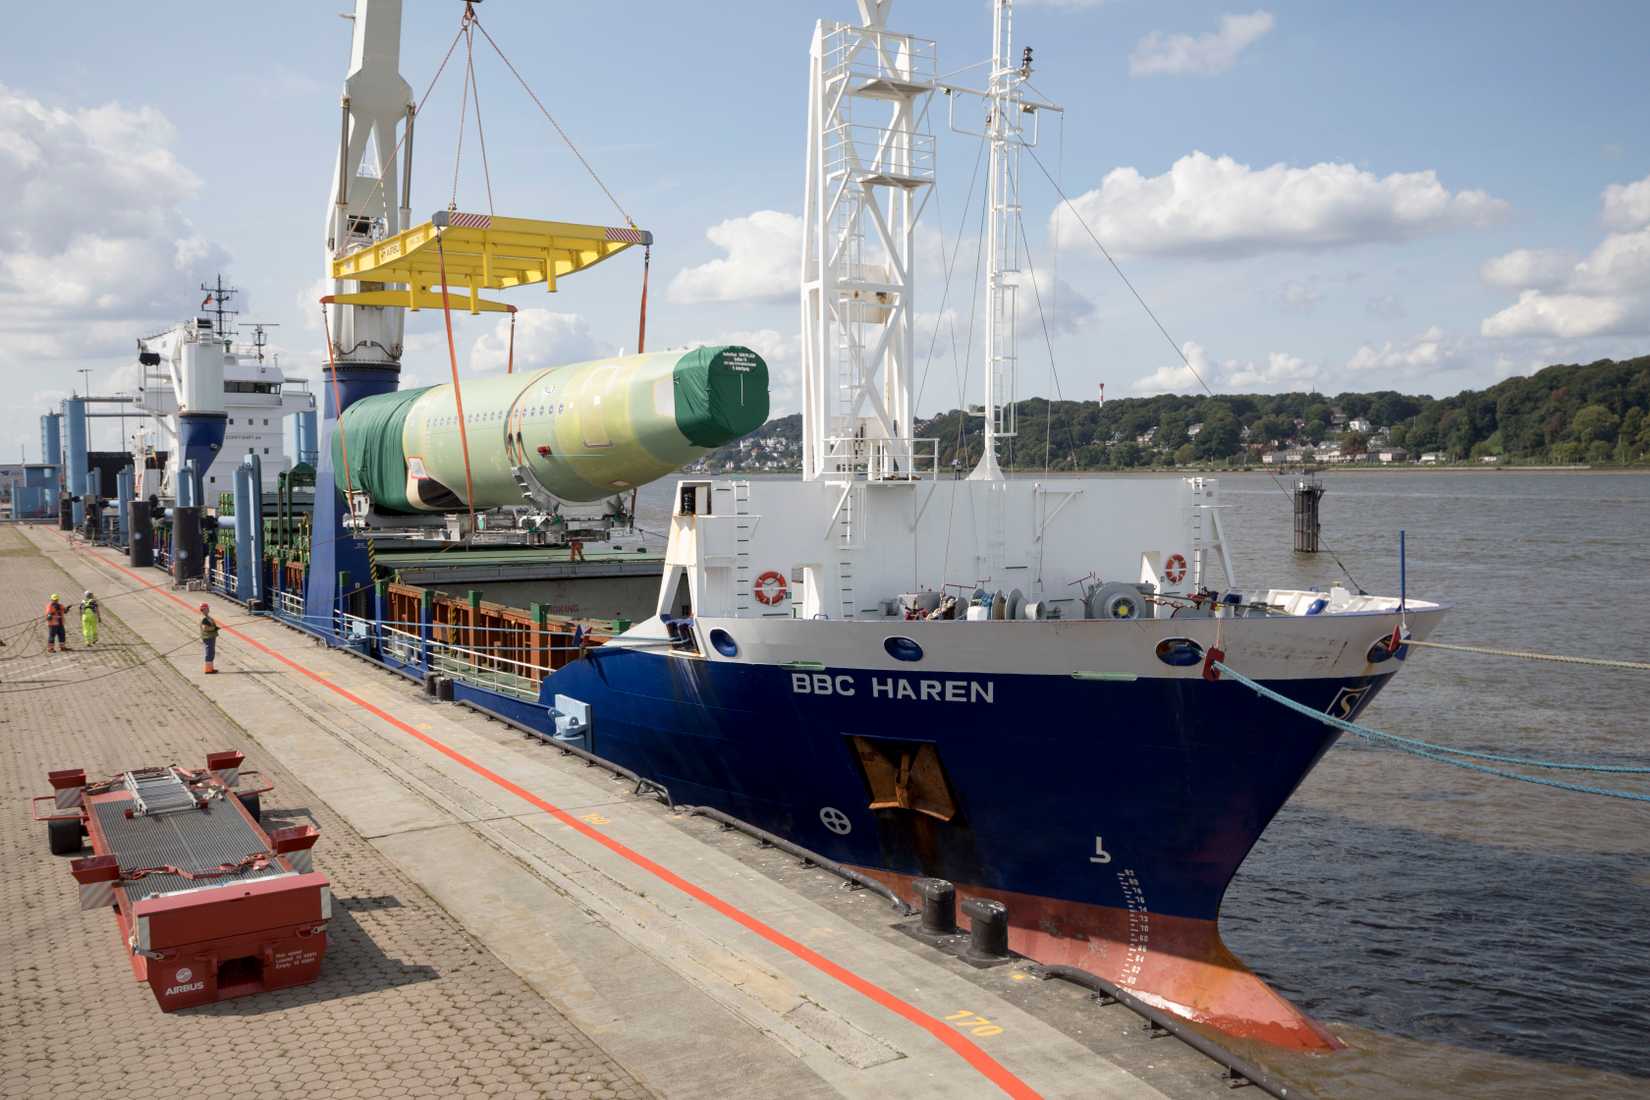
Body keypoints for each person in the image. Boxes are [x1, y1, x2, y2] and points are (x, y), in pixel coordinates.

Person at [199, 602, 220, 674]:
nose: (208, 609)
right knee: (209, 652)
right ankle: (208, 670)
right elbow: (205, 628)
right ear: (204, 609)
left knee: (211, 652)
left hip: (210, 636)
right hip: (208, 637)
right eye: (207, 608)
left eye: (208, 608)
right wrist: (214, 628)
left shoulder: (207, 617)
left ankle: (210, 668)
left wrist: (214, 628)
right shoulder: (204, 618)